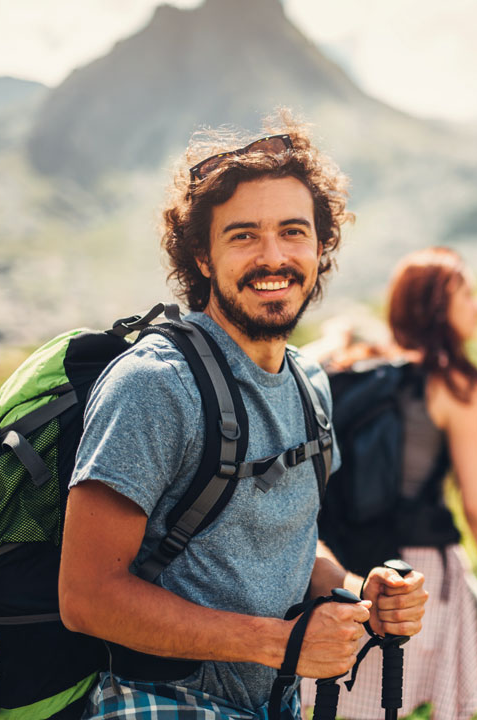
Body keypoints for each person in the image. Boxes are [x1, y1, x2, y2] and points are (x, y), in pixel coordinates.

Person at [58, 116, 428, 719]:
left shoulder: (310, 384)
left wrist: (364, 593)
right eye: (243, 236)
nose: (274, 257)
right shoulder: (156, 386)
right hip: (157, 702)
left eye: (292, 231)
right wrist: (281, 644)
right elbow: (86, 595)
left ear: (320, 245)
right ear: (201, 257)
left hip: (273, 700)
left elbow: (280, 541)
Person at [310, 247, 477, 720]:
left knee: (362, 707)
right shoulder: (454, 385)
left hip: (352, 565)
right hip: (420, 571)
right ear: (438, 307)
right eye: (467, 294)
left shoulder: (366, 371)